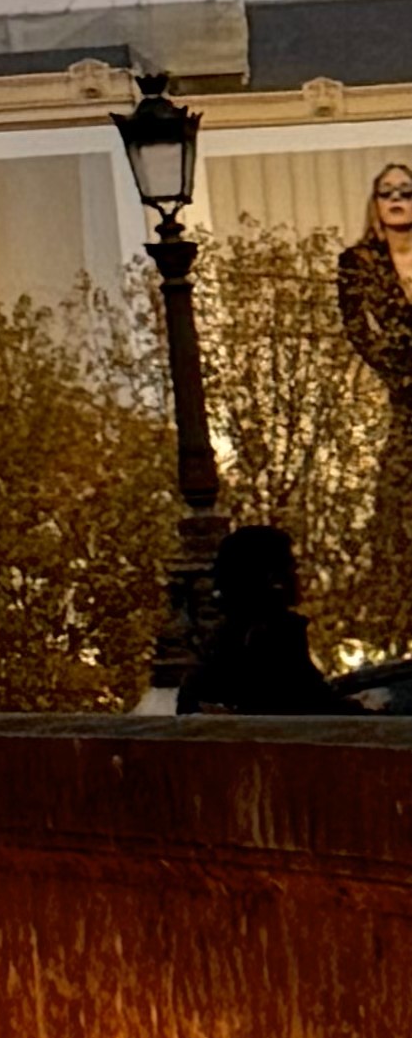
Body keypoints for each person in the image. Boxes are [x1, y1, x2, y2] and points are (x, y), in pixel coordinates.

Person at [338, 161, 412, 646]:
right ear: (376, 203)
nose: (397, 199)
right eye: (387, 192)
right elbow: (355, 326)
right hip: (405, 384)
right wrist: (393, 366)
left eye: (406, 190)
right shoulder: (359, 260)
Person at [176, 520, 330, 716]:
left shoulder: (220, 639)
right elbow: (313, 703)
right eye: (292, 568)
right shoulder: (276, 635)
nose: (298, 576)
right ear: (274, 579)